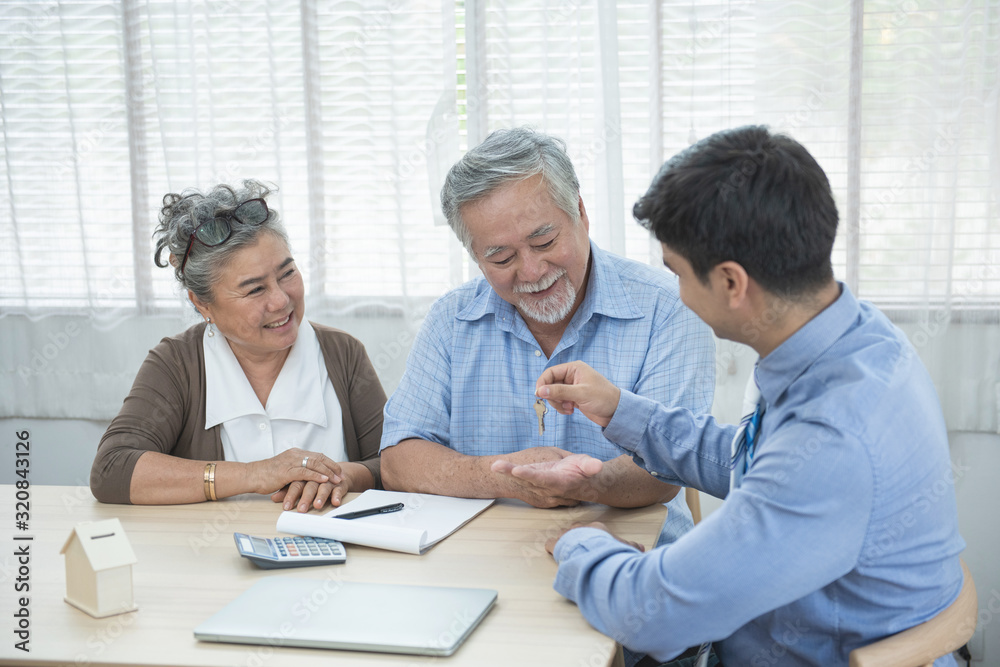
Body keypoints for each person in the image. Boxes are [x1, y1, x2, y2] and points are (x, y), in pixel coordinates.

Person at [514, 126, 965, 666]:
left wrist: (579, 543)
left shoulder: (832, 436)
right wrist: (620, 410)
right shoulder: (856, 337)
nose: (676, 292)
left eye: (677, 273)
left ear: (731, 282)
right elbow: (753, 460)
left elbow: (652, 611)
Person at [379, 127, 715, 542]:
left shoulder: (669, 309)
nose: (533, 272)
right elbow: (398, 461)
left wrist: (585, 483)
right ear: (474, 256)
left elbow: (669, 470)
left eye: (545, 240)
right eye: (501, 257)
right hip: (485, 559)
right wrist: (504, 477)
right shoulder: (451, 319)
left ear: (580, 211)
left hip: (636, 561)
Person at [91, 180, 386, 512]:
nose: (280, 300)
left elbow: (390, 464)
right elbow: (112, 470)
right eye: (255, 289)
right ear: (203, 305)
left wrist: (343, 476)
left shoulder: (343, 353)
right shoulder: (177, 363)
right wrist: (257, 474)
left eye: (287, 273)